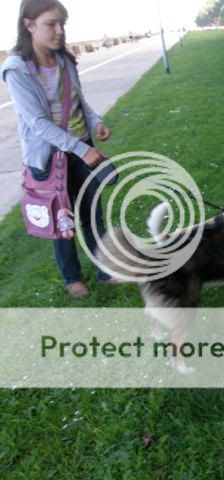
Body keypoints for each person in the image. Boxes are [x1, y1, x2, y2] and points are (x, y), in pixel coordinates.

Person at [1, 0, 116, 298]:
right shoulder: (16, 70)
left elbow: (78, 101)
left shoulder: (65, 59)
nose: (59, 31)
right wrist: (80, 148)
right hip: (50, 158)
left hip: (82, 148)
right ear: (29, 25)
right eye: (51, 24)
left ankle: (105, 270)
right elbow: (38, 123)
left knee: (93, 213)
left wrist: (95, 122)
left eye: (62, 24)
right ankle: (71, 278)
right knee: (61, 220)